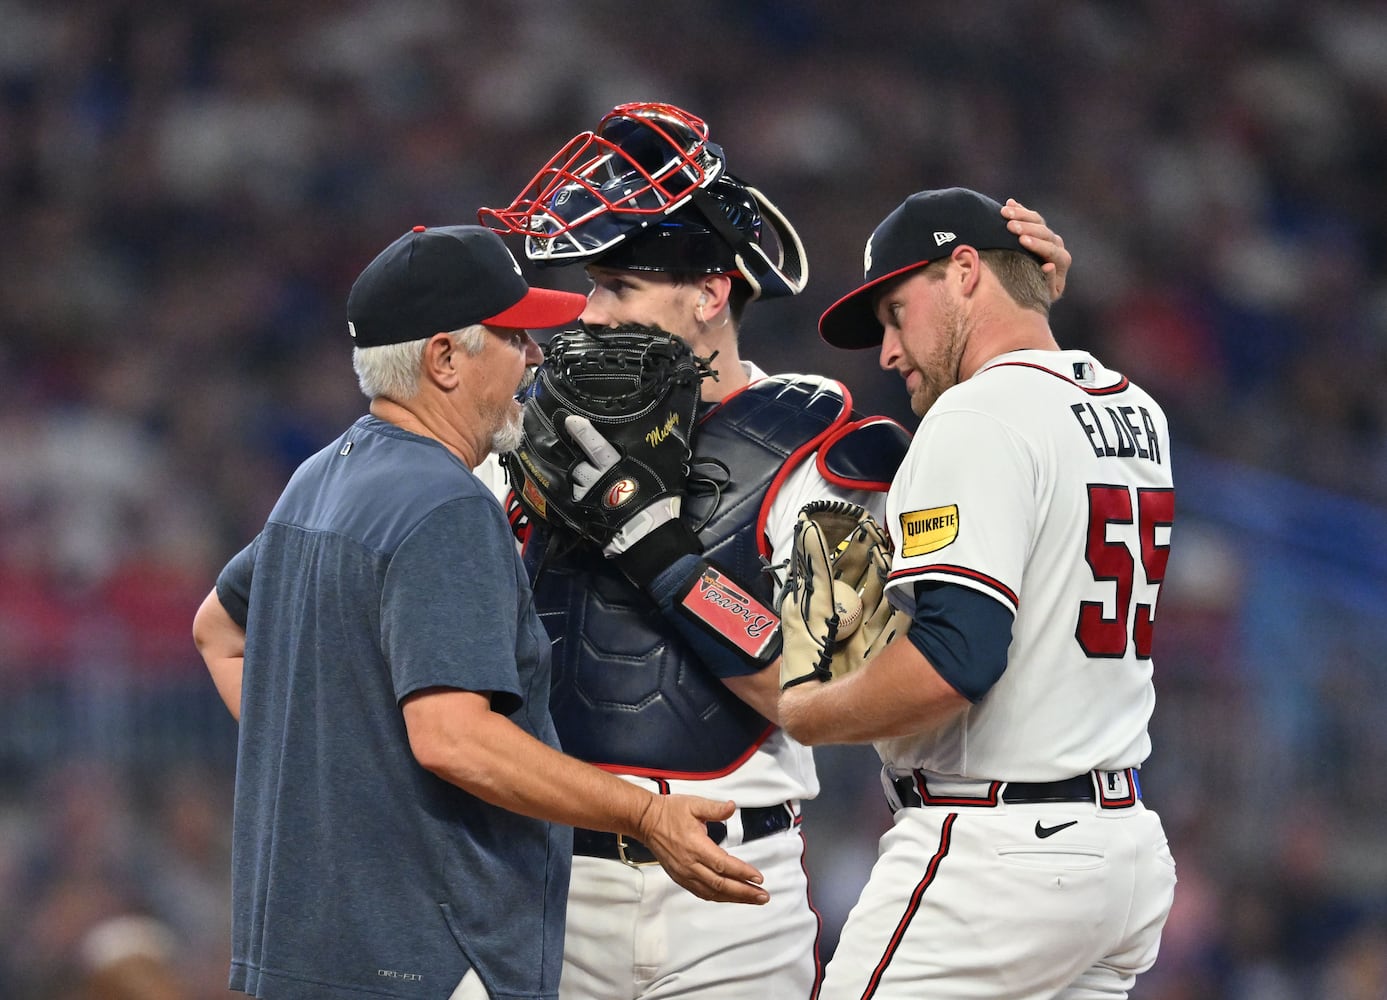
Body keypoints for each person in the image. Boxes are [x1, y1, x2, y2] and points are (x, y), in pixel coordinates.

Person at [477, 104, 1074, 999]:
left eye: (617, 289)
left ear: (710, 293)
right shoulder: (520, 440)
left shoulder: (817, 443)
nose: (587, 314)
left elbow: (827, 685)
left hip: (732, 898)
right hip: (540, 876)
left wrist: (656, 548)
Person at [190, 224, 768, 1000]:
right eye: (513, 336)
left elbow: (219, 633)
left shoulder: (321, 477)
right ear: (444, 359)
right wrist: (643, 815)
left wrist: (349, 771)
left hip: (306, 950)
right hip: (424, 953)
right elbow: (454, 739)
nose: (535, 357)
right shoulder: (446, 506)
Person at [778, 186, 1178, 998]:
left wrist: (804, 712)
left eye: (895, 313)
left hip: (997, 860)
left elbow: (956, 660)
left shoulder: (974, 416)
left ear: (963, 270)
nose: (887, 351)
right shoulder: (1137, 411)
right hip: (1120, 851)